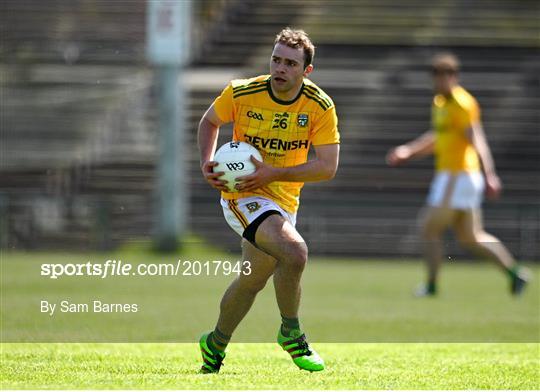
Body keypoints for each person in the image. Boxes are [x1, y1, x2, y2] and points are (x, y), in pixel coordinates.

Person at [197, 28, 340, 373]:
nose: (280, 68)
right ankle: (291, 333)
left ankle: (214, 344)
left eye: (290, 63)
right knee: (295, 252)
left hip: (282, 198)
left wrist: (272, 173)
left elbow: (327, 167)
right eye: (276, 59)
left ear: (306, 71)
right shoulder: (242, 92)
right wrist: (207, 163)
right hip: (242, 193)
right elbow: (209, 122)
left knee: (252, 279)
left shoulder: (319, 106)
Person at [386, 52, 529, 297]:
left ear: (455, 77)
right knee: (471, 237)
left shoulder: (462, 103)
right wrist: (409, 151)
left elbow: (478, 139)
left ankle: (431, 286)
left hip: (458, 175)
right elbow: (437, 138)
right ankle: (515, 274)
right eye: (437, 77)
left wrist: (490, 174)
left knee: (429, 229)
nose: (441, 82)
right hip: (456, 176)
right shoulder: (440, 104)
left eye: (446, 77)